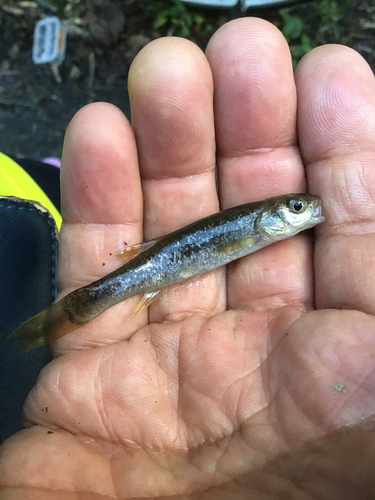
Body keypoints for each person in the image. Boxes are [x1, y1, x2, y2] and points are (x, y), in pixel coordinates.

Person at [1, 17, 375, 499]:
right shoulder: (253, 227)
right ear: (269, 218)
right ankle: (61, 308)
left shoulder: (259, 231)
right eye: (296, 209)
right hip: (145, 272)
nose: (304, 213)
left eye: (298, 208)